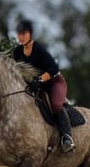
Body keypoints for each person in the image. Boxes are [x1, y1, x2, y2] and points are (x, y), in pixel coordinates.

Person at [13, 19, 76, 153]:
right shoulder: (17, 52)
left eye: (24, 33)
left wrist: (40, 79)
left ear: (30, 34)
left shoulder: (39, 49)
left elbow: (53, 68)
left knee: (55, 105)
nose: (21, 36)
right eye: (19, 34)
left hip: (54, 82)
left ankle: (67, 137)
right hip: (35, 86)